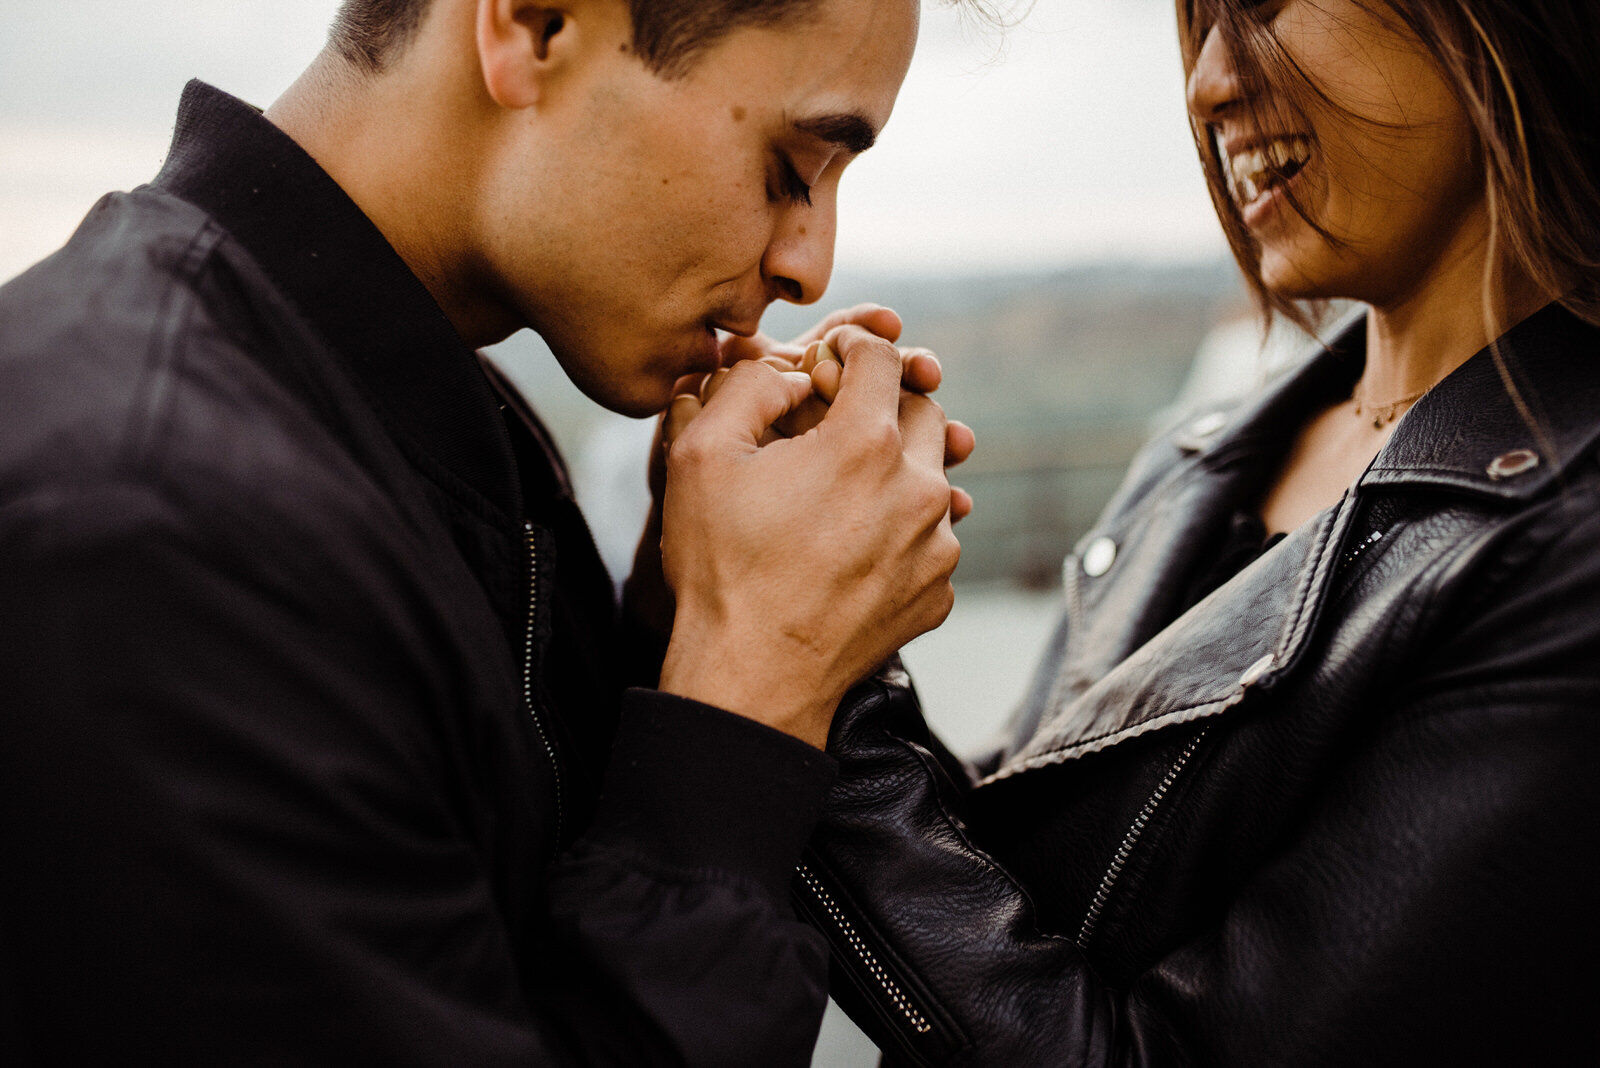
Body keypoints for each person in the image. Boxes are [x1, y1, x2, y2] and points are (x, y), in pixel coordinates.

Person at [0, 0, 972, 1063]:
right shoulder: (153, 531)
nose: (810, 265)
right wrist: (756, 689)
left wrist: (677, 626)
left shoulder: (407, 419)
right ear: (535, 25)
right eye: (791, 169)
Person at [797, 1, 1600, 1064]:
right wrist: (814, 603)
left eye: (1263, 6)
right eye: (1197, 23)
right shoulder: (1201, 454)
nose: (1208, 82)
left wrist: (797, 662)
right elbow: (1010, 867)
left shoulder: (1566, 546)